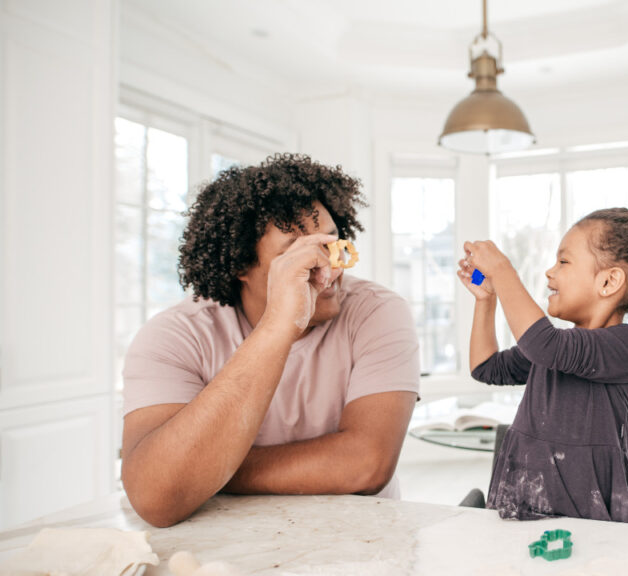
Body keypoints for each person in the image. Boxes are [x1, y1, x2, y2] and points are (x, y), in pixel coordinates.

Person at [121, 153, 420, 528]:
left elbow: (367, 464)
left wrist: (207, 470)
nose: (330, 271)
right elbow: (156, 496)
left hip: (361, 537)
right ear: (241, 267)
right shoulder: (174, 337)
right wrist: (279, 325)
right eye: (299, 255)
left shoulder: (379, 312)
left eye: (331, 245)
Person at [458, 207, 628, 522]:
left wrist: (502, 270)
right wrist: (486, 301)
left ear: (609, 281)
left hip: (589, 522)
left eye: (564, 261)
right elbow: (486, 367)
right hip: (518, 503)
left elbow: (544, 343)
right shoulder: (554, 350)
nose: (549, 272)